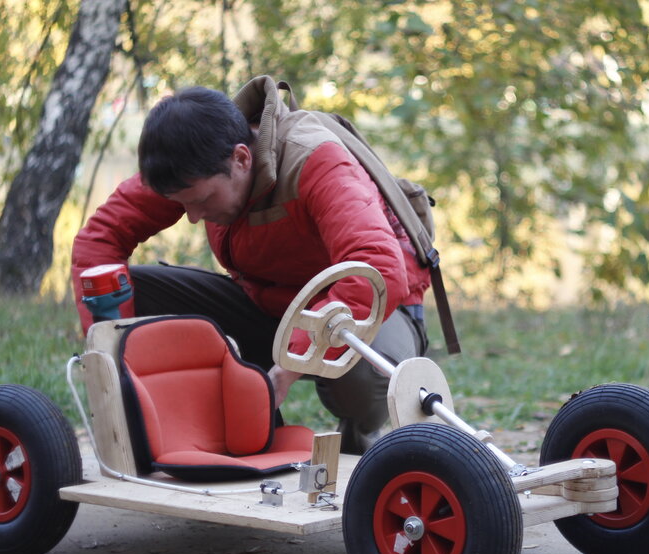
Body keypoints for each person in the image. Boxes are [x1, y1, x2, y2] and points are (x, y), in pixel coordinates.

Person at [72, 76, 431, 454]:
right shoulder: (189, 163)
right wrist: (111, 363)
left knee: (360, 376)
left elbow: (375, 269)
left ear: (242, 158)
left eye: (203, 201)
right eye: (182, 205)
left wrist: (287, 369)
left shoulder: (315, 159)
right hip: (268, 304)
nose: (193, 217)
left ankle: (361, 444)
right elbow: (99, 242)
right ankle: (232, 434)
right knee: (126, 290)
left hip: (376, 306)